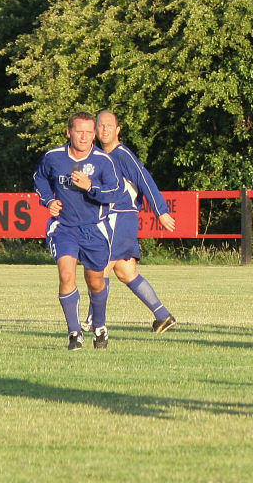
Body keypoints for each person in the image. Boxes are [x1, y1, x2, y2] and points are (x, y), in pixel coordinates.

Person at [81, 110, 178, 333]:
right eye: (100, 125)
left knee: (100, 265)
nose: (104, 129)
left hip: (122, 217)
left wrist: (160, 211)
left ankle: (92, 319)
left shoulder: (122, 155)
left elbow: (145, 181)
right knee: (126, 272)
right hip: (109, 219)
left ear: (118, 130)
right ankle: (163, 315)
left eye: (108, 125)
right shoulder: (96, 157)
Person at [33, 111, 121, 350]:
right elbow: (40, 180)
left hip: (95, 229)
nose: (84, 137)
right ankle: (74, 333)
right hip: (63, 227)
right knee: (66, 275)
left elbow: (114, 193)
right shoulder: (53, 157)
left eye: (89, 132)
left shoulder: (104, 161)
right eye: (79, 131)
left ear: (94, 134)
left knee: (95, 281)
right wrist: (49, 201)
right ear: (68, 132)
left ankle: (100, 326)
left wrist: (91, 186)